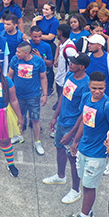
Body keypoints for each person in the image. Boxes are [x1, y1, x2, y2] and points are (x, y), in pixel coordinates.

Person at [62, 71, 109, 217]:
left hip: (97, 154)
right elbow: (84, 120)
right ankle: (88, 212)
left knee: (89, 187)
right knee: (85, 183)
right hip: (83, 149)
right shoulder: (86, 97)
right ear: (89, 86)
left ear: (105, 86)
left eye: (101, 88)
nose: (97, 91)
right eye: (94, 88)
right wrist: (75, 141)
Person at [45, 54, 90, 204]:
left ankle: (75, 190)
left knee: (73, 157)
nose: (70, 63)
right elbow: (63, 98)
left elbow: (84, 113)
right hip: (62, 121)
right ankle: (60, 176)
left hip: (72, 126)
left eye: (74, 62)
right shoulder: (70, 75)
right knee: (58, 147)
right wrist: (54, 117)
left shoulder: (86, 85)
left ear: (82, 67)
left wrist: (72, 133)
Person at [8, 42, 48, 154]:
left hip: (33, 96)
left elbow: (43, 78)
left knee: (35, 119)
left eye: (18, 52)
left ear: (26, 53)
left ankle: (37, 141)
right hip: (18, 95)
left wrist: (45, 94)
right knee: (19, 117)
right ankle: (19, 136)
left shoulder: (38, 62)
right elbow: (9, 76)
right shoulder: (15, 60)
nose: (16, 53)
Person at [85, 34, 109, 103]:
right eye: (89, 43)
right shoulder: (87, 57)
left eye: (92, 44)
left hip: (104, 100)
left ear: (99, 46)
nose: (89, 45)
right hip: (88, 99)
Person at [53, 24, 78, 111]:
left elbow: (75, 64)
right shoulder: (63, 45)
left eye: (57, 32)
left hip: (66, 79)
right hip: (61, 77)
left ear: (60, 33)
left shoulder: (69, 49)